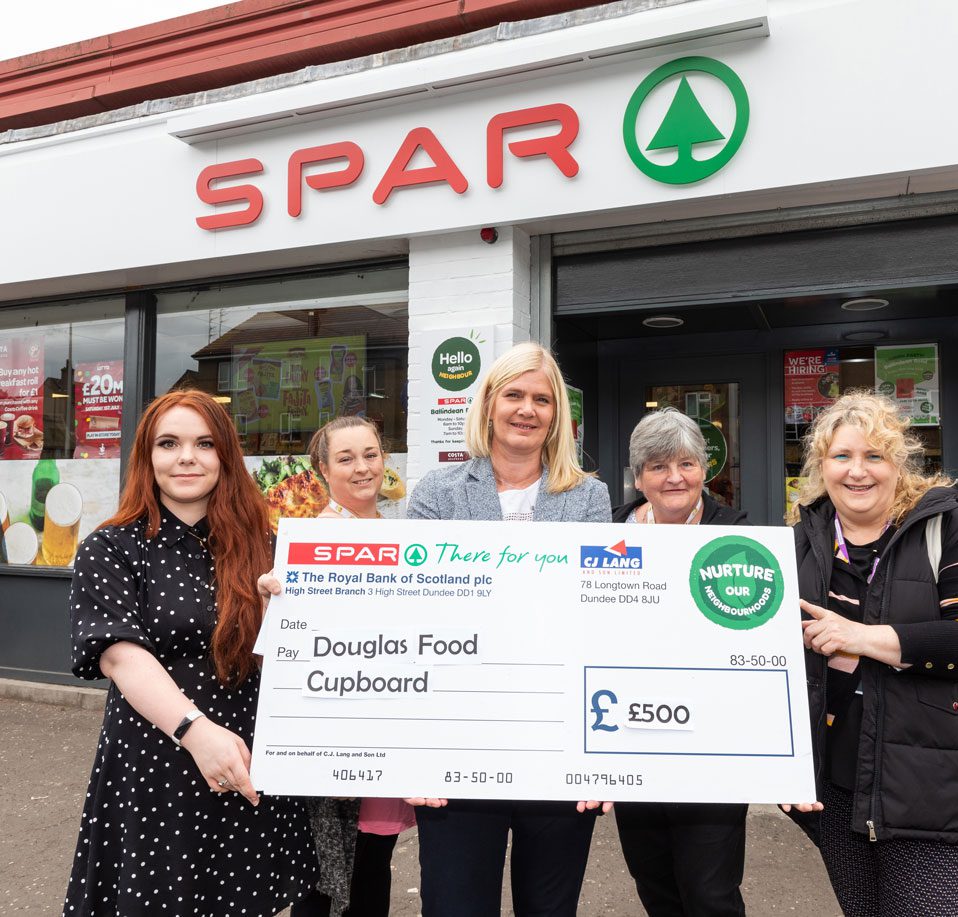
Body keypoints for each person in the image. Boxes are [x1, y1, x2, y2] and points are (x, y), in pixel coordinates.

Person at [63, 389, 317, 915]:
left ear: (225, 455)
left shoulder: (265, 544)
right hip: (157, 761)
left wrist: (286, 612)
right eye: (169, 443)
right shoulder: (112, 546)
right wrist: (197, 734)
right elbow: (119, 654)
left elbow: (296, 655)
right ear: (146, 456)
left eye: (204, 443)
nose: (186, 457)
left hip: (251, 759)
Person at [407, 341, 611, 917]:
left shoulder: (588, 497)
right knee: (454, 906)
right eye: (514, 394)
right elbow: (412, 621)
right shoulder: (437, 492)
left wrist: (602, 758)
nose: (527, 409)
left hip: (556, 741)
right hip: (457, 741)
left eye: (541, 399)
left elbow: (600, 625)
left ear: (556, 415)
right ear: (489, 403)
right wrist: (414, 752)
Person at [789, 391, 958, 917]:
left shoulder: (946, 528)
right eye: (842, 456)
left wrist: (860, 638)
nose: (857, 471)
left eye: (874, 456)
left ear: (899, 463)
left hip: (929, 785)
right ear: (823, 466)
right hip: (837, 783)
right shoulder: (801, 540)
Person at [273, 416, 417, 916]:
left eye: (371, 455)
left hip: (388, 721)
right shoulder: (309, 540)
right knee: (323, 874)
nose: (362, 468)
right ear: (321, 470)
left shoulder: (403, 536)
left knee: (374, 860)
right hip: (331, 729)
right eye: (346, 458)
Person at [611, 407, 750, 917]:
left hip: (710, 739)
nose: (674, 477)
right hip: (632, 736)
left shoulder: (739, 534)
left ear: (704, 469)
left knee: (710, 892)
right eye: (658, 466)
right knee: (654, 882)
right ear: (638, 476)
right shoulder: (608, 531)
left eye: (687, 464)